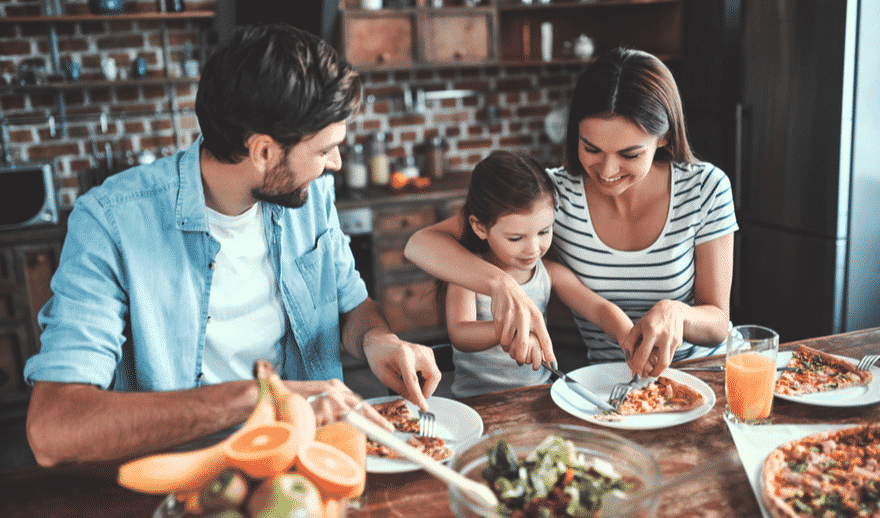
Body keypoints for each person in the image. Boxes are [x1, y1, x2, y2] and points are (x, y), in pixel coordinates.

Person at [23, 23, 440, 467]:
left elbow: (350, 307)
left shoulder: (310, 194)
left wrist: (377, 341)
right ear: (263, 152)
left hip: (309, 459)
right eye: (324, 150)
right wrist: (256, 397)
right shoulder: (111, 222)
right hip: (190, 472)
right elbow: (54, 428)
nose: (335, 163)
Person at [405, 47, 738, 379]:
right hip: (609, 382)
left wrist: (677, 313)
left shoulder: (706, 188)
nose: (607, 170)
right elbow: (420, 244)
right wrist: (498, 283)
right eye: (591, 148)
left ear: (663, 137)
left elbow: (718, 323)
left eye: (629, 154)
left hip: (701, 373)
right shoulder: (550, 195)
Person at [444, 150, 633, 397]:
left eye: (544, 232)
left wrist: (627, 333)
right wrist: (517, 331)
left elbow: (598, 308)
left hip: (539, 393)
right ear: (480, 227)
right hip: (479, 400)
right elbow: (460, 333)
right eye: (515, 238)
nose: (533, 249)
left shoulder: (548, 273)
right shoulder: (467, 274)